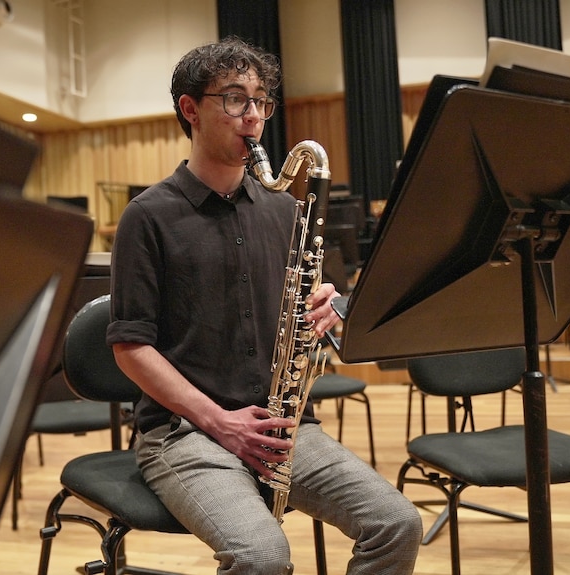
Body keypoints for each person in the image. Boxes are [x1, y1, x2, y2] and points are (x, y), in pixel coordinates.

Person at [107, 36, 422, 575]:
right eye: (234, 99)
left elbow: (310, 309)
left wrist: (329, 305)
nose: (252, 115)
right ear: (190, 109)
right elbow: (131, 348)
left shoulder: (283, 211)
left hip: (283, 427)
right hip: (186, 434)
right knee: (262, 556)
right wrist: (220, 421)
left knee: (397, 525)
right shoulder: (148, 216)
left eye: (260, 101)